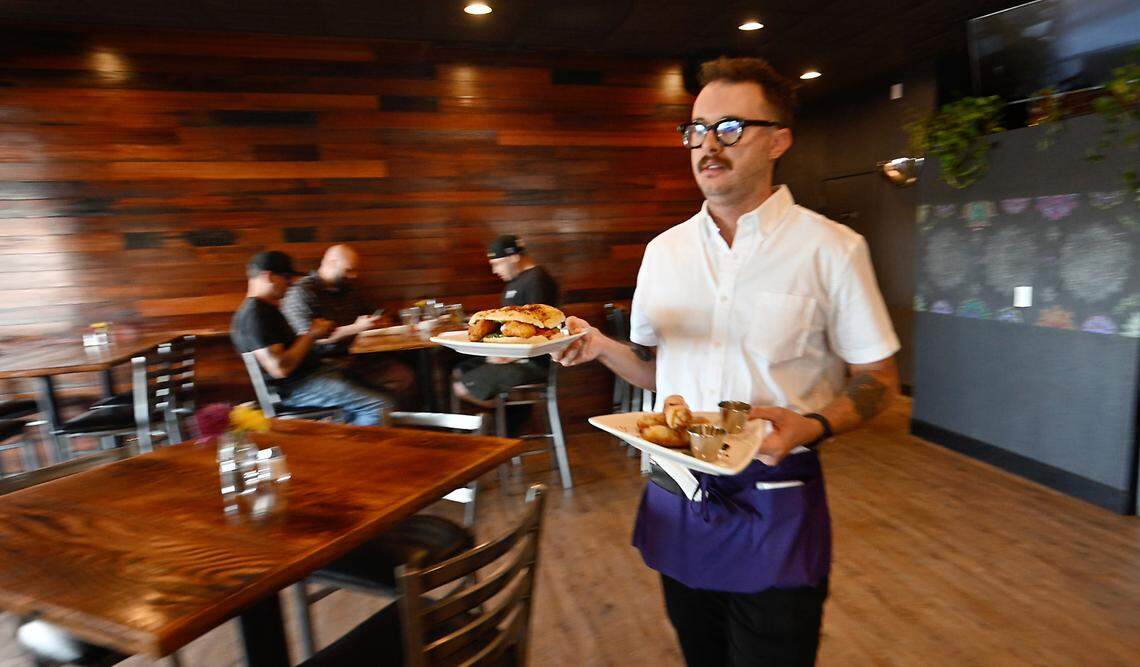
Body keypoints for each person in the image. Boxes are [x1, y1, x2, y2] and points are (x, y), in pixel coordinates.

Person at [553, 57, 901, 666]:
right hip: (679, 491)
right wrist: (601, 347)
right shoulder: (664, 252)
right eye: (697, 129)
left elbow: (879, 379)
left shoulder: (832, 249)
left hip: (775, 495)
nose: (708, 145)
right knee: (700, 654)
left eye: (731, 128)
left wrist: (813, 425)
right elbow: (660, 373)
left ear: (779, 140)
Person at [230, 250, 394, 426]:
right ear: (268, 277)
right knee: (380, 406)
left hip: (313, 375)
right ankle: (354, 441)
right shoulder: (255, 316)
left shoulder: (265, 310)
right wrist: (311, 334)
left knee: (388, 391)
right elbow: (280, 368)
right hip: (297, 388)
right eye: (286, 277)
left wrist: (316, 333)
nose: (291, 283)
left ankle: (348, 432)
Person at [281, 244, 415, 400]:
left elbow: (373, 311)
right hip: (325, 365)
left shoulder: (349, 288)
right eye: (349, 270)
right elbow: (311, 339)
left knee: (404, 375)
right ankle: (377, 407)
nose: (354, 276)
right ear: (331, 263)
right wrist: (357, 327)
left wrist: (379, 319)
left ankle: (383, 409)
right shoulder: (301, 292)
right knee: (396, 382)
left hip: (358, 358)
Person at [451, 234, 560, 408]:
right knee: (459, 371)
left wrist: (506, 355)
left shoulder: (537, 280)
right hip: (513, 354)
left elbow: (537, 327)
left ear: (514, 256)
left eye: (498, 263)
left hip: (532, 361)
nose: (495, 270)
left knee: (461, 388)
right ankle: (508, 416)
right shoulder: (516, 280)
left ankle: (507, 416)